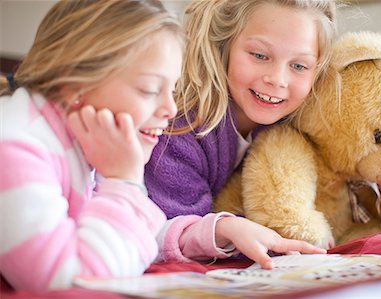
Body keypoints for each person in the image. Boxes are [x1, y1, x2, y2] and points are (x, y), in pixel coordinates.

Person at [0, 0, 325, 292]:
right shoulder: (15, 148)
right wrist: (122, 181)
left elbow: (129, 237)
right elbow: (70, 281)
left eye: (171, 89)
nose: (170, 110)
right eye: (149, 89)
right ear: (74, 80)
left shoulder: (80, 135)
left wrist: (221, 229)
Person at [144, 1, 338, 217]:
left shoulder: (302, 132)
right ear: (225, 45)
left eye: (299, 66)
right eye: (260, 55)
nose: (277, 80)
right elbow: (182, 230)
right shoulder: (177, 131)